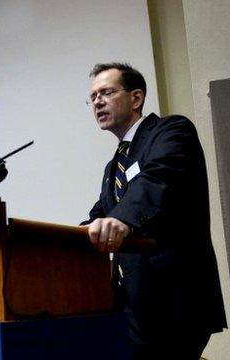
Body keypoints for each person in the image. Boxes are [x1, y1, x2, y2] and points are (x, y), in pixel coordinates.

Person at [82, 62, 226, 358]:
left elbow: (158, 179)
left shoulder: (171, 130)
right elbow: (100, 216)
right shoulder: (113, 168)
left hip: (175, 300)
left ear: (136, 98)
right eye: (93, 96)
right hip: (131, 306)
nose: (97, 101)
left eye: (106, 92)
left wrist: (121, 220)